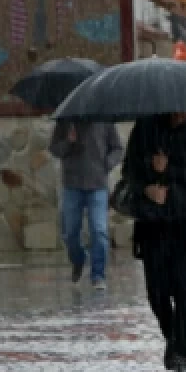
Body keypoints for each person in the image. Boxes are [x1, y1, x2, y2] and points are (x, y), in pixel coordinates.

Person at [120, 113, 186, 372]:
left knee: (182, 287)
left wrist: (169, 169)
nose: (179, 114)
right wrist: (146, 188)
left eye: (184, 110)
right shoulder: (146, 127)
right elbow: (129, 171)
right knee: (157, 291)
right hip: (153, 221)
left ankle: (182, 354)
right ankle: (172, 337)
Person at [47, 120, 122, 290]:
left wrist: (107, 163)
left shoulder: (104, 120)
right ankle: (78, 259)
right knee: (70, 232)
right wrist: (69, 142)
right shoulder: (65, 121)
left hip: (98, 185)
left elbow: (117, 148)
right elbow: (55, 149)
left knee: (99, 231)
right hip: (72, 184)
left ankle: (98, 275)